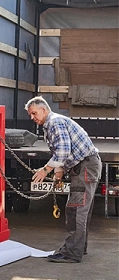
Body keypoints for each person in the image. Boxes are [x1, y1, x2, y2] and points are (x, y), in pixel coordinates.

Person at [25, 96, 102, 263]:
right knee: (80, 209)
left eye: (34, 113)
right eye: (30, 114)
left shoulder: (55, 122)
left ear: (44, 109)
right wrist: (58, 172)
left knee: (76, 209)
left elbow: (63, 151)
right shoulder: (51, 124)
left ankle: (72, 253)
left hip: (85, 167)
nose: (32, 117)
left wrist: (45, 170)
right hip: (85, 166)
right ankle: (78, 248)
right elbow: (61, 152)